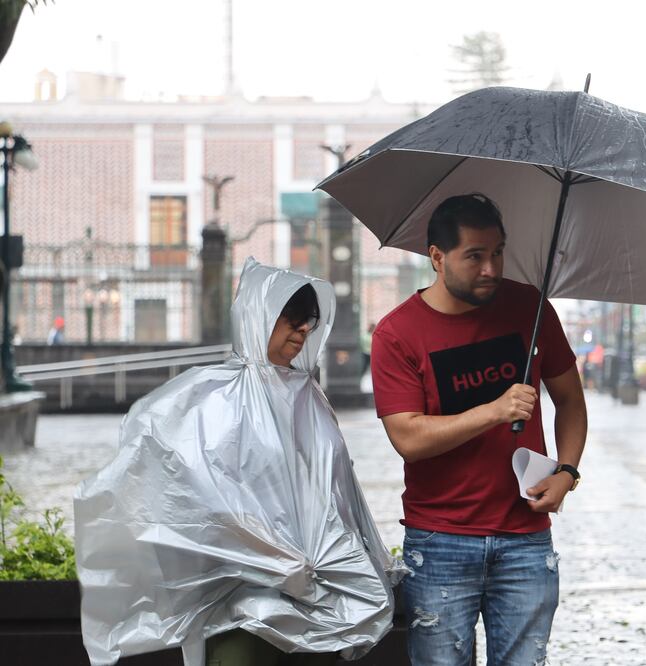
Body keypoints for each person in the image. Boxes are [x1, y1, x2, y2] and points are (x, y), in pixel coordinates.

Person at [75, 259, 399, 665]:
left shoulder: (310, 399)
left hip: (319, 592)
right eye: (292, 318)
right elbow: (191, 498)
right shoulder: (213, 399)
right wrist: (271, 556)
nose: (302, 330)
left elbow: (340, 491)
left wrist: (369, 558)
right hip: (240, 600)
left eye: (309, 322)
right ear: (259, 316)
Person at [370, 193, 587, 665]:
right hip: (440, 539)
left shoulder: (529, 308)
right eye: (474, 256)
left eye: (497, 252)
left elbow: (570, 400)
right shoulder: (398, 333)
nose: (491, 268)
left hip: (526, 538)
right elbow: (408, 438)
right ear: (436, 257)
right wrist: (492, 410)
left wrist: (568, 472)